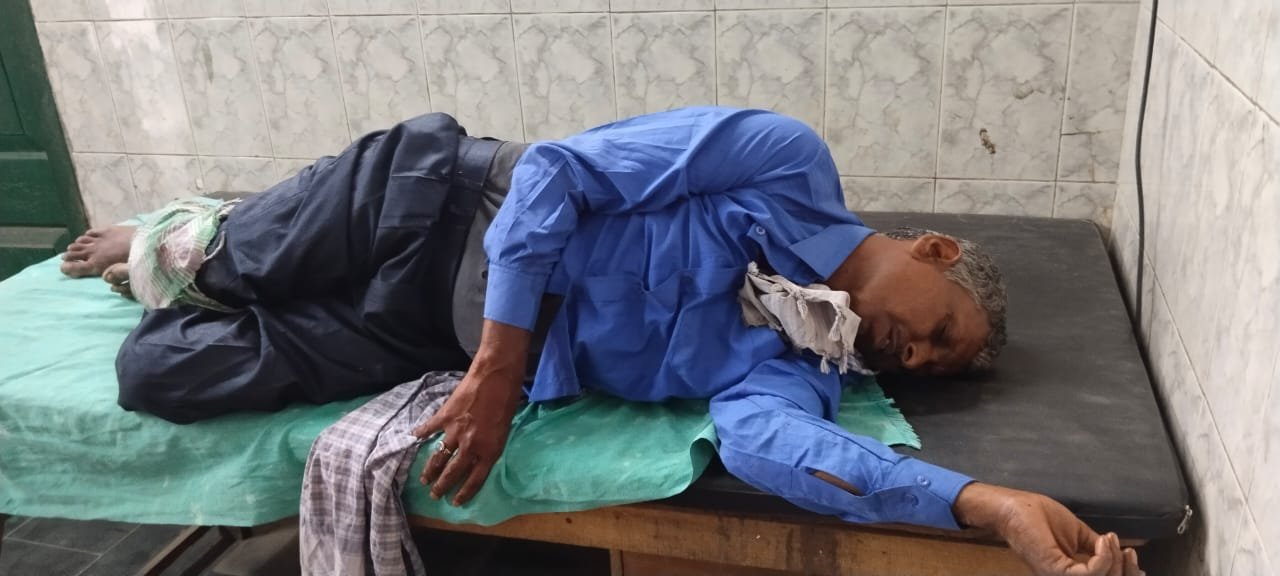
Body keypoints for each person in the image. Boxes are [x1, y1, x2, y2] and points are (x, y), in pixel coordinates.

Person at [62, 107, 1141, 575]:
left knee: (160, 371)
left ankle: (211, 252)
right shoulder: (782, 161)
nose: (914, 353)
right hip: (434, 203)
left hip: (414, 331)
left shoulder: (796, 369)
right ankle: (189, 234)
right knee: (216, 266)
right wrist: (497, 372)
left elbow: (769, 449)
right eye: (939, 329)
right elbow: (555, 173)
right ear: (934, 250)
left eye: (928, 367)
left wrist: (986, 504)